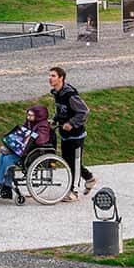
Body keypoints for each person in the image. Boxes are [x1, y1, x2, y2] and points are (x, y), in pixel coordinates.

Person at [48, 65, 96, 200]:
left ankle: (73, 192)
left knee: (74, 162)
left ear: (61, 78)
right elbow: (61, 110)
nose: (50, 78)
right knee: (69, 161)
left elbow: (84, 111)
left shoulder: (69, 94)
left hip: (76, 135)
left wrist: (72, 123)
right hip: (65, 134)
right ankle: (89, 178)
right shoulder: (57, 93)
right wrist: (55, 120)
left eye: (53, 76)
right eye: (49, 75)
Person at [0, 105, 51, 199]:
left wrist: (30, 135)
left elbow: (40, 140)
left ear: (38, 116)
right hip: (23, 150)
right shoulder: (29, 123)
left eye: (31, 115)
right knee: (2, 156)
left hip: (32, 152)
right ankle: (2, 185)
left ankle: (6, 188)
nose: (28, 117)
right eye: (28, 115)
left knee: (8, 159)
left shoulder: (43, 126)